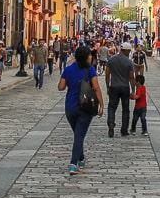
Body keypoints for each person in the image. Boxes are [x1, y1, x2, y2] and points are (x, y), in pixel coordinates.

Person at [58, 45, 104, 175]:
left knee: (78, 134)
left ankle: (81, 158)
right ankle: (73, 164)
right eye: (89, 54)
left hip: (70, 108)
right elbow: (96, 88)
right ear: (86, 57)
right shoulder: (90, 70)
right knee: (79, 135)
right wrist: (101, 105)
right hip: (85, 107)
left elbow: (60, 87)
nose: (91, 56)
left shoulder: (68, 69)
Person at [105, 42, 136, 137]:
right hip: (124, 88)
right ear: (126, 50)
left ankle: (111, 123)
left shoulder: (111, 60)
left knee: (111, 107)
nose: (129, 52)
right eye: (129, 51)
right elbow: (131, 77)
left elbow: (107, 74)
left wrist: (107, 86)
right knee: (125, 109)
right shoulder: (129, 62)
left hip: (114, 87)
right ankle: (124, 130)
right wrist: (133, 90)